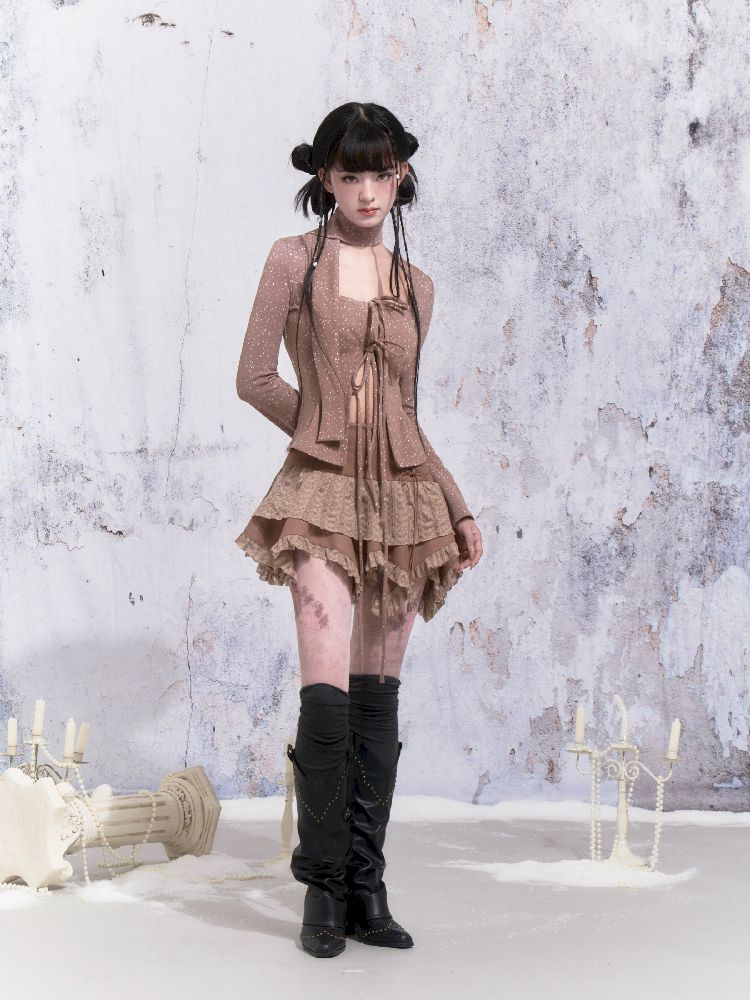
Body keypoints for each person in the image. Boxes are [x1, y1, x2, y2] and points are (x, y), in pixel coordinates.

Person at [234, 102, 483, 958]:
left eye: (382, 174)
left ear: (400, 176)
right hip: (322, 491)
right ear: (326, 178)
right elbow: (254, 377)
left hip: (404, 501)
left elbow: (406, 414)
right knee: (326, 691)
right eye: (351, 175)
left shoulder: (419, 286)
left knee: (379, 693)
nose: (368, 191)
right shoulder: (292, 260)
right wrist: (323, 433)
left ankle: (368, 886)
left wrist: (456, 504)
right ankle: (323, 887)